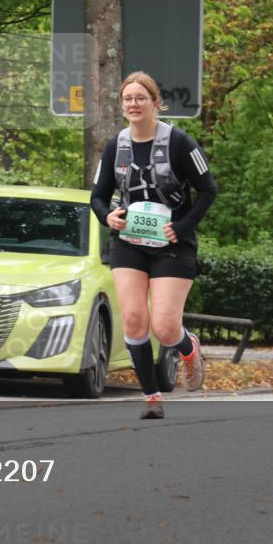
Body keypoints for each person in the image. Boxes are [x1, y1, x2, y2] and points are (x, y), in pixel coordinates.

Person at [90, 71, 217, 419]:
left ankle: (189, 350)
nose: (133, 104)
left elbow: (209, 190)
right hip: (128, 242)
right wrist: (108, 217)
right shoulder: (116, 145)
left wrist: (182, 226)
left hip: (172, 244)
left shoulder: (179, 142)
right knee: (133, 319)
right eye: (127, 99)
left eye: (140, 98)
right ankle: (151, 398)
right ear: (122, 105)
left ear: (155, 103)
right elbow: (98, 198)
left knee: (163, 326)